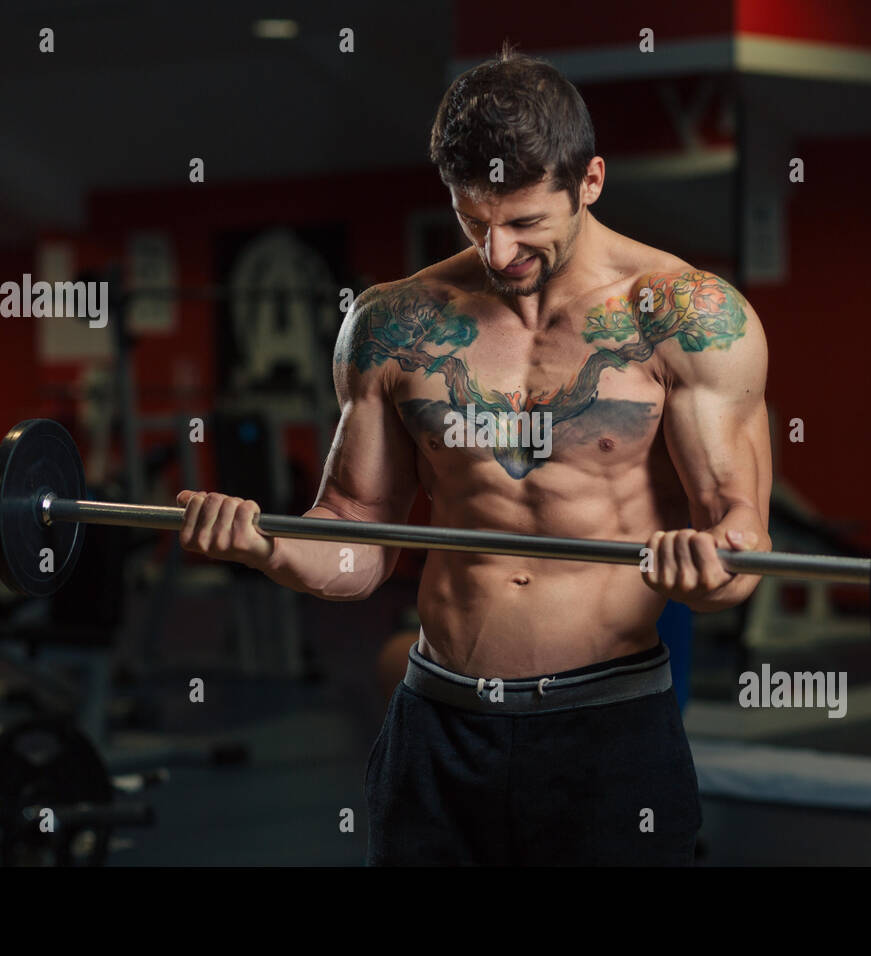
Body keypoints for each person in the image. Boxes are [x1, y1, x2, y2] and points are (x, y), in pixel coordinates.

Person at [177, 44, 771, 865]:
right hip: (439, 725)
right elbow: (357, 533)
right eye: (473, 220)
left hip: (606, 727)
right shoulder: (393, 323)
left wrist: (712, 575)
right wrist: (265, 544)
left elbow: (741, 542)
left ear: (590, 181)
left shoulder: (686, 316)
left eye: (526, 222)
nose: (498, 254)